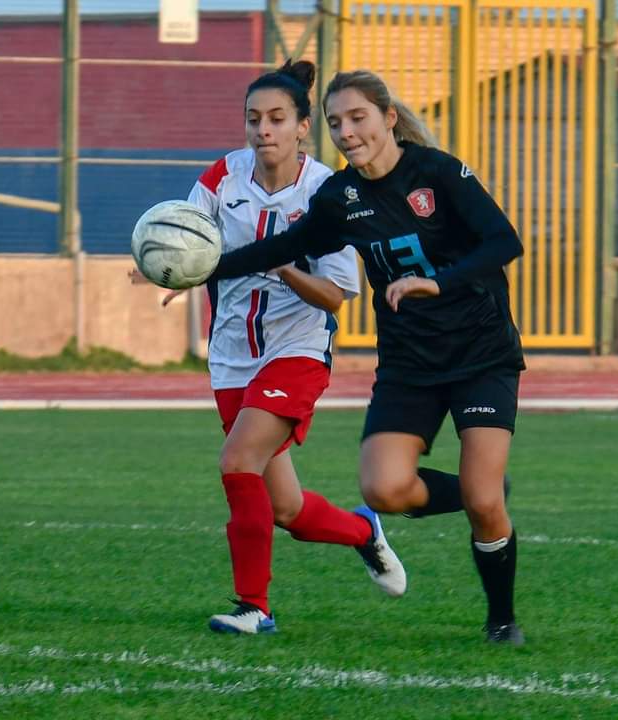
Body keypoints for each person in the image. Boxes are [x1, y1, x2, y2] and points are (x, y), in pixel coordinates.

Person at [208, 69, 526, 645]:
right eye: (336, 123)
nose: (347, 132)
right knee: (383, 489)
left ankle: (501, 620)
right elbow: (284, 247)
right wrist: (197, 268)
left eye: (358, 118)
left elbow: (505, 241)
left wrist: (439, 283)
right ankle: (477, 491)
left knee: (484, 501)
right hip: (408, 364)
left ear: (389, 118)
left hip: (481, 353)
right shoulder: (340, 197)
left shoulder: (438, 172)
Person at [138, 60, 407, 635]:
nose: (263, 130)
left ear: (303, 127)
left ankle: (253, 608)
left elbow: (335, 296)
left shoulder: (329, 192)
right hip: (232, 355)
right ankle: (364, 531)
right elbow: (188, 238)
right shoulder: (223, 176)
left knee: (237, 462)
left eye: (277, 119)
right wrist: (168, 265)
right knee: (287, 510)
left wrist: (281, 263)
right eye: (253, 118)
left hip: (297, 351)